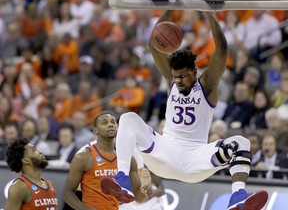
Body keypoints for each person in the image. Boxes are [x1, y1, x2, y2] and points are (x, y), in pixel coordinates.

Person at [101, 11, 268, 210]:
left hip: (195, 158)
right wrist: (170, 9)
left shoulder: (207, 86)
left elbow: (222, 49)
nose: (178, 81)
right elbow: (153, 44)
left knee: (241, 142)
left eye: (183, 76)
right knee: (128, 118)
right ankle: (122, 179)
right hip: (164, 152)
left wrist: (208, 12)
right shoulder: (172, 81)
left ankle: (237, 196)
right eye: (176, 77)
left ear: (194, 72)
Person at [63, 111, 151, 210]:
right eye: (104, 123)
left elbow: (138, 197)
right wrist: (84, 208)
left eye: (113, 122)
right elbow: (67, 193)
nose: (110, 125)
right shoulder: (84, 157)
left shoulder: (128, 159)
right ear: (96, 130)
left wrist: (146, 192)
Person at [4, 138, 58, 210]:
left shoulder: (50, 184)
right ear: (26, 160)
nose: (40, 152)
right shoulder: (19, 188)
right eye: (34, 150)